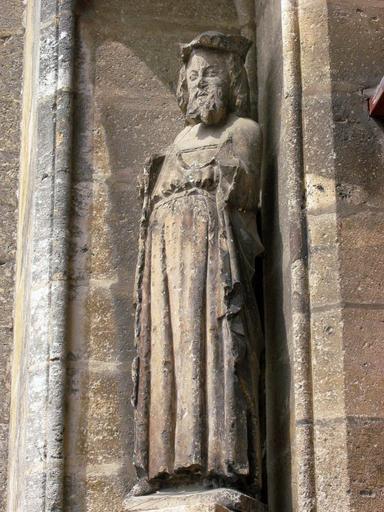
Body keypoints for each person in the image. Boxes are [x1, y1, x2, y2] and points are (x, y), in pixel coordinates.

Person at [130, 31, 264, 498]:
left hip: (212, 263)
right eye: (194, 76)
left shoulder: (242, 131)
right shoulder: (178, 139)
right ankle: (164, 466)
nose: (202, 83)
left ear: (231, 81)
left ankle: (220, 462)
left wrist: (208, 178)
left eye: (211, 74)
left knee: (215, 350)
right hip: (169, 265)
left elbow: (244, 191)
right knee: (168, 354)